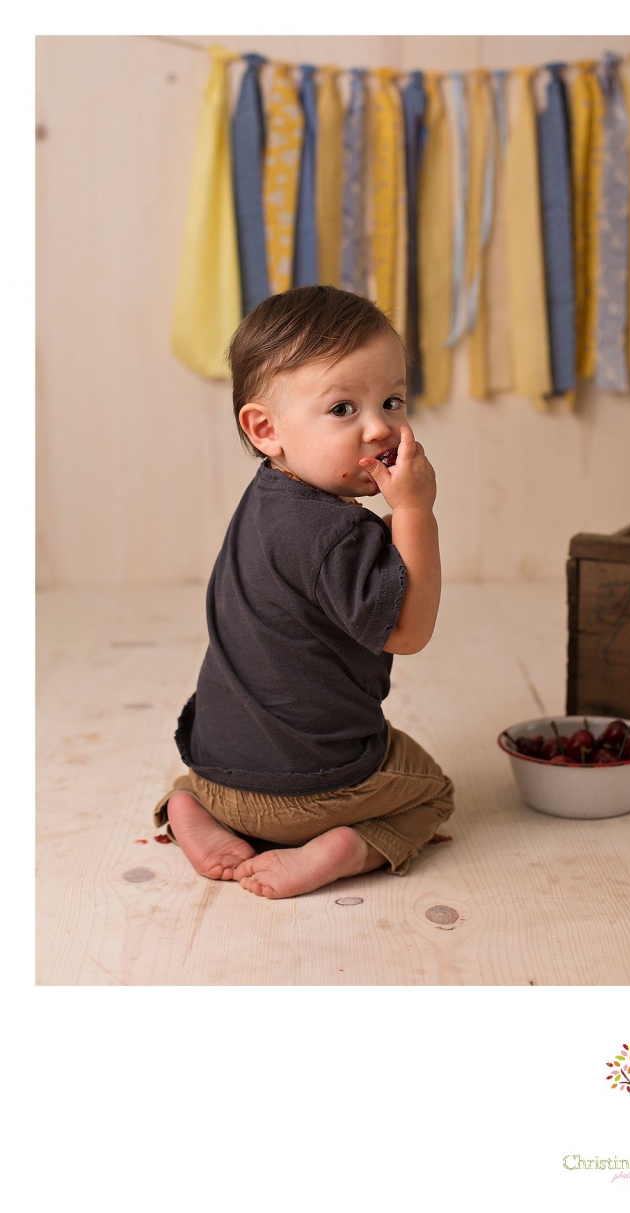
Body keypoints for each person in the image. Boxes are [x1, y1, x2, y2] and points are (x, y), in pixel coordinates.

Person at [153, 285, 454, 899]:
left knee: (225, 768)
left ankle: (191, 806)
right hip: (310, 793)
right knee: (432, 791)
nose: (380, 428)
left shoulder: (267, 497)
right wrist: (414, 511)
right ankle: (344, 847)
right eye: (343, 408)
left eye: (392, 401)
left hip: (214, 768)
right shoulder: (340, 534)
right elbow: (409, 632)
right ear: (266, 429)